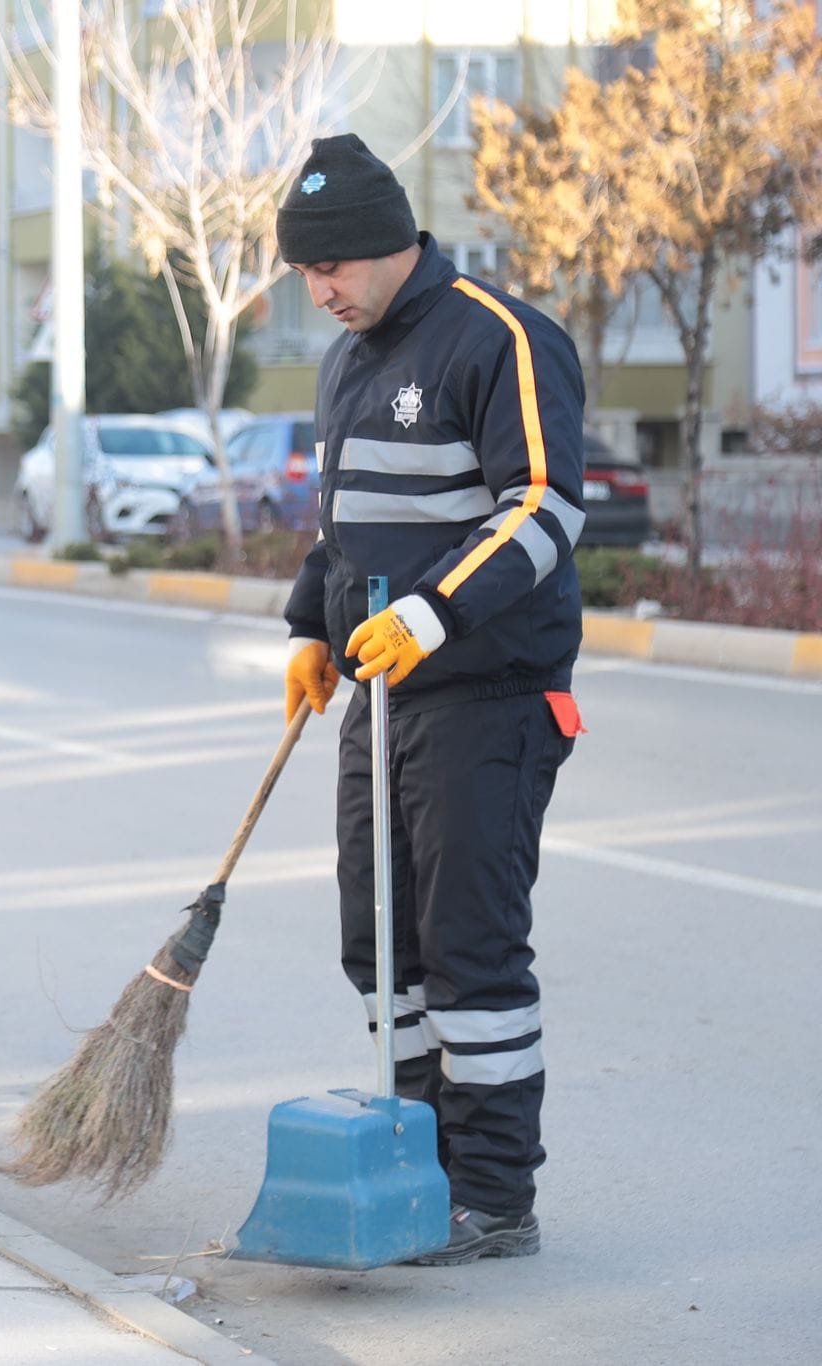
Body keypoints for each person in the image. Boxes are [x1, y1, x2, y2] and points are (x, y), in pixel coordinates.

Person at [275, 135, 588, 1266]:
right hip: (385, 695)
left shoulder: (495, 337)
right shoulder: (346, 357)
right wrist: (313, 630)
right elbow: (341, 526)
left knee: (467, 949)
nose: (318, 290)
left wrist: (431, 612)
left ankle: (493, 1196)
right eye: (304, 273)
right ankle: (414, 1160)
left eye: (331, 269)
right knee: (380, 946)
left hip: (488, 692)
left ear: (387, 242)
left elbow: (546, 508)